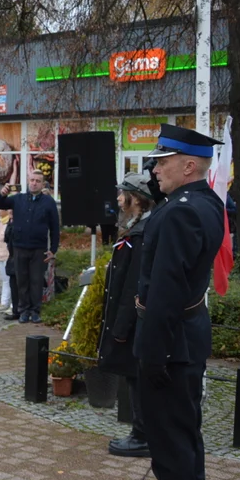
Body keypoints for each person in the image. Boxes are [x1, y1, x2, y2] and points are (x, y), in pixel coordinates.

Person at [116, 125, 224, 480]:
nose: (154, 169)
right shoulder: (203, 201)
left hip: (170, 339)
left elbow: (165, 289)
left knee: (169, 433)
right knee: (181, 429)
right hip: (184, 333)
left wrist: (153, 353)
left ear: (188, 165)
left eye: (162, 161)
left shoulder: (180, 210)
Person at [97, 173, 156, 459]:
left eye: (123, 194)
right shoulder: (137, 228)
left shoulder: (142, 233)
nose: (119, 199)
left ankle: (142, 436)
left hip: (134, 322)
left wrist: (121, 326)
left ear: (137, 199)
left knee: (138, 378)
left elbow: (135, 285)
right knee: (134, 378)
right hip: (130, 320)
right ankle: (141, 432)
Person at [0, 170, 59, 323]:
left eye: (38, 181)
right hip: (19, 246)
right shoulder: (18, 199)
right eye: (32, 180)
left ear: (42, 184)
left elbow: (55, 227)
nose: (34, 183)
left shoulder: (48, 202)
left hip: (38, 248)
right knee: (22, 281)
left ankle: (35, 311)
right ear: (28, 181)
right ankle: (24, 310)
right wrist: (3, 194)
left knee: (36, 281)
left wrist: (53, 249)